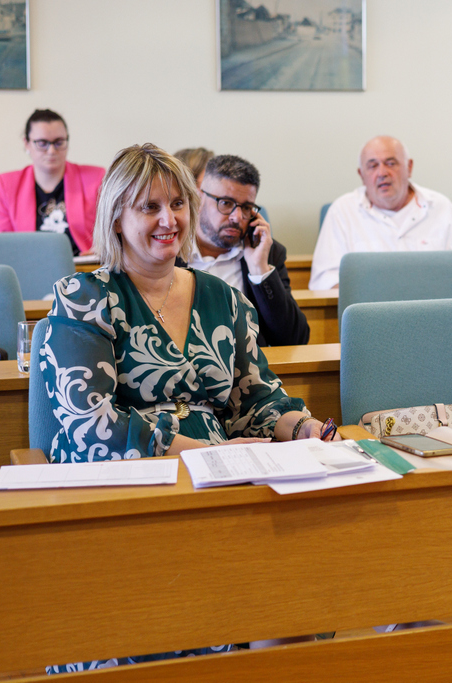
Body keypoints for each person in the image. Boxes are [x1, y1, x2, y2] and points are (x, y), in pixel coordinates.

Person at [39, 143, 333, 670]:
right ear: (117, 217)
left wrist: (303, 428)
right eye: (149, 207)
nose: (168, 219)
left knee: (293, 579)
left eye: (177, 204)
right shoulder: (84, 297)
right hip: (125, 488)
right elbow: (91, 425)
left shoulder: (225, 299)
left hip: (222, 483)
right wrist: (210, 455)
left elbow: (257, 396)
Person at [308, 135, 452, 290]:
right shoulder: (342, 211)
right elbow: (323, 282)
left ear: (409, 167)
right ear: (361, 175)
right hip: (371, 313)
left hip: (435, 312)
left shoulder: (441, 208)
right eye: (372, 166)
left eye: (391, 163)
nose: (382, 173)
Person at [187, 154, 310, 346]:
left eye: (246, 207)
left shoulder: (266, 253)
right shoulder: (169, 249)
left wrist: (259, 269)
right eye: (226, 203)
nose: (237, 217)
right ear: (198, 197)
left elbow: (294, 340)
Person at [0, 109, 105, 255]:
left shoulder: (95, 178)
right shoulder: (6, 184)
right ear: (27, 143)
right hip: (29, 266)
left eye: (59, 142)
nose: (51, 151)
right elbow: (0, 244)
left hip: (83, 266)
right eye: (42, 143)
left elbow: (115, 229)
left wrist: (103, 248)